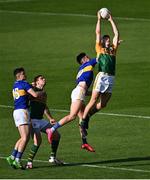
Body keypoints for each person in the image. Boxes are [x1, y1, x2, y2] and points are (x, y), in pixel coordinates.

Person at [46, 53, 97, 152]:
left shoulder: (81, 70)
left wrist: (96, 93)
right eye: (87, 56)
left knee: (82, 118)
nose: (89, 57)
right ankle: (51, 129)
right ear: (85, 58)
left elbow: (85, 90)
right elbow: (100, 57)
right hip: (79, 93)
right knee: (72, 116)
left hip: (79, 92)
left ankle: (84, 142)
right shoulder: (88, 64)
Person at [80, 12, 120, 137]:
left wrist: (111, 19)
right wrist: (98, 19)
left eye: (109, 39)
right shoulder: (99, 49)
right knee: (93, 99)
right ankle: (83, 120)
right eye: (106, 39)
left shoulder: (113, 50)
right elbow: (97, 33)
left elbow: (117, 34)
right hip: (102, 76)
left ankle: (89, 115)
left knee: (103, 104)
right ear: (103, 42)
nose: (108, 41)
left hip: (111, 77)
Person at [6, 67, 41, 169]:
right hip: (23, 111)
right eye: (24, 74)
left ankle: (12, 157)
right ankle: (17, 160)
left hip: (16, 112)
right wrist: (39, 91)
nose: (25, 75)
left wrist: (30, 85)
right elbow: (34, 95)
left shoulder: (15, 85)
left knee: (22, 137)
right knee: (25, 138)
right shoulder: (24, 84)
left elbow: (24, 89)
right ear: (20, 75)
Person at [26, 75, 63, 169]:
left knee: (57, 135)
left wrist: (50, 118)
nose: (44, 79)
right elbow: (25, 92)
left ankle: (52, 157)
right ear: (37, 82)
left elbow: (45, 107)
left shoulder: (44, 93)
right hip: (32, 119)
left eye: (44, 78)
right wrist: (31, 85)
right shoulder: (32, 91)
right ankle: (29, 162)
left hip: (40, 120)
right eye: (41, 78)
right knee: (37, 141)